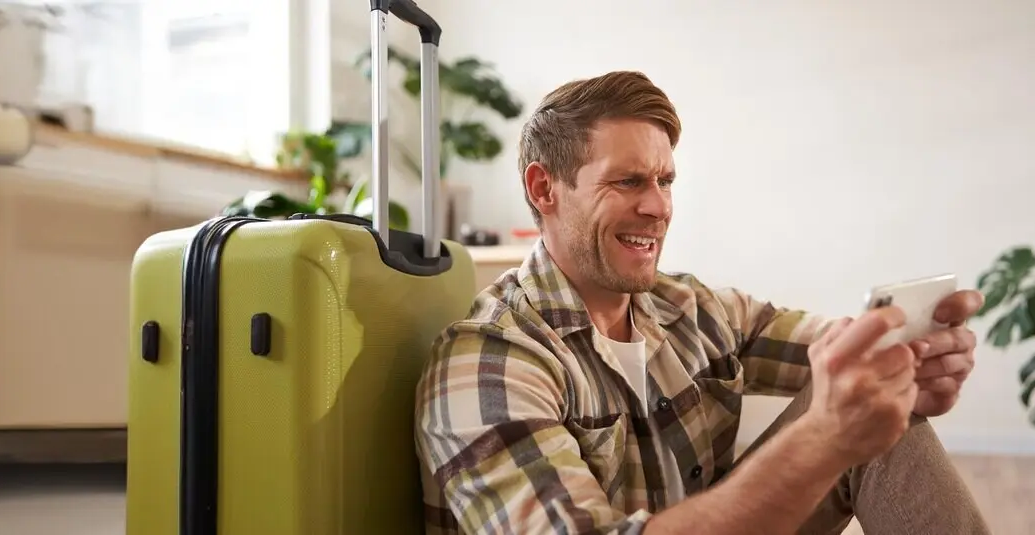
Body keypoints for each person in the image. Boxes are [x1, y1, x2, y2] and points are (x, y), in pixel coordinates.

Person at [413, 70, 991, 535]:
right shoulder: (488, 361)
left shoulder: (689, 307)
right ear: (545, 189)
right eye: (628, 182)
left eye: (666, 181)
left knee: (868, 394)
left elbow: (839, 348)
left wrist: (914, 356)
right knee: (842, 420)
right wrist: (822, 439)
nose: (659, 207)